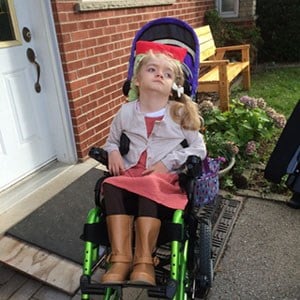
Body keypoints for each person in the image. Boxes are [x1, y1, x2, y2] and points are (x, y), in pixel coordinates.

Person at [100, 40, 207, 286]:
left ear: (173, 88)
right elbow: (111, 141)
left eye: (167, 73)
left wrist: (169, 162)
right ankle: (121, 259)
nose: (159, 74)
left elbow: (199, 148)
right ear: (137, 80)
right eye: (152, 69)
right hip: (131, 175)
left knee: (150, 184)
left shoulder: (177, 113)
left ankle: (145, 261)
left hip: (163, 179)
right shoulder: (126, 112)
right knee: (111, 184)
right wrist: (113, 151)